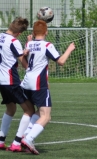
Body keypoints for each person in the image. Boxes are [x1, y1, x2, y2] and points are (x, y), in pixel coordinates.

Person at [20, 20, 75, 155]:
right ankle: (29, 138)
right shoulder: (47, 45)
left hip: (26, 83)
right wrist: (69, 49)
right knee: (46, 116)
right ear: (46, 32)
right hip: (39, 84)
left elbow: (23, 60)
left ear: (33, 33)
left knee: (38, 112)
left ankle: (25, 135)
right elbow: (60, 61)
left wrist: (29, 42)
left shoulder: (29, 44)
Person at [0, 17, 35, 152]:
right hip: (11, 81)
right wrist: (30, 67)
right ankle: (16, 143)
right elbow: (21, 59)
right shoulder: (14, 41)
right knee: (29, 110)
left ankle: (0, 141)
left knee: (11, 109)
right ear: (19, 33)